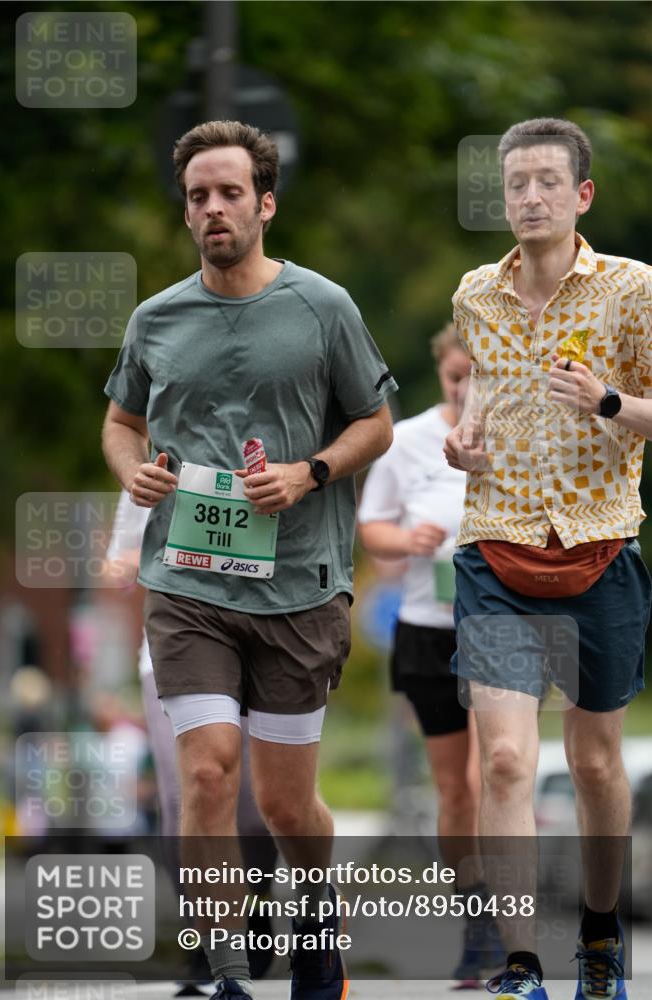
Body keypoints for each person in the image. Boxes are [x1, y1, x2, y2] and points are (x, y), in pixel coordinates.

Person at [102, 120, 397, 1000]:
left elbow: (375, 423)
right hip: (186, 582)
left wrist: (311, 474)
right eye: (198, 195)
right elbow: (121, 422)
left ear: (265, 204)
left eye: (230, 192)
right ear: (185, 212)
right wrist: (133, 471)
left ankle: (318, 918)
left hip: (298, 586)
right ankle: (227, 971)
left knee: (284, 805)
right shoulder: (156, 319)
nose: (213, 208)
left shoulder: (322, 306)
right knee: (204, 773)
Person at [444, 117, 652, 1000]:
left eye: (546, 182)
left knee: (596, 764)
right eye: (515, 184)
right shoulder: (474, 295)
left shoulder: (632, 289)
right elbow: (482, 398)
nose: (529, 198)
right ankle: (521, 964)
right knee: (501, 761)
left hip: (599, 549)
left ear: (581, 195)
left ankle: (599, 936)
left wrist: (607, 401)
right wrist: (463, 443)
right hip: (494, 552)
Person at [358, 324, 505, 985]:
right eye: (455, 377)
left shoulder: (523, 433)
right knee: (454, 788)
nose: (466, 388)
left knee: (495, 772)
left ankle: (509, 923)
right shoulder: (409, 440)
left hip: (501, 627)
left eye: (479, 375)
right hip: (427, 629)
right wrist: (406, 540)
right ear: (441, 374)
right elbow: (372, 528)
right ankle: (477, 922)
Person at [104, 489, 279, 994]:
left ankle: (254, 905)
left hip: (263, 644)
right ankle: (206, 939)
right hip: (172, 650)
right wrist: (127, 566)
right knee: (187, 794)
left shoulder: (273, 464)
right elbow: (119, 559)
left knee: (254, 807)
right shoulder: (157, 469)